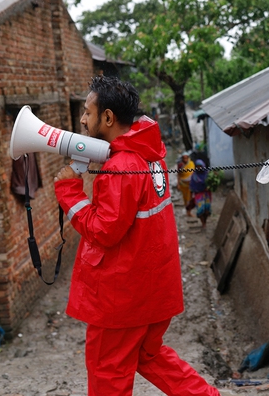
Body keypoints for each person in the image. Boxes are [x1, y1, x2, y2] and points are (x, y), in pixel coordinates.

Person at [54, 75, 220, 396]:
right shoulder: (150, 152)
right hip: (151, 292)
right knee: (150, 356)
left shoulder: (120, 167)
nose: (82, 119)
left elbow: (104, 231)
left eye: (88, 112)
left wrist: (68, 190)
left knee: (107, 374)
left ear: (108, 117)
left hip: (120, 299)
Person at [186, 159, 212, 228]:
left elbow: (211, 184)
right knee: (200, 210)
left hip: (207, 194)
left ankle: (205, 222)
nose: (198, 168)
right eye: (197, 166)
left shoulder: (207, 174)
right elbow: (191, 187)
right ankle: (203, 223)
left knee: (207, 210)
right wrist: (190, 197)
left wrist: (209, 187)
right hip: (198, 194)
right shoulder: (194, 176)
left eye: (200, 166)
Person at [177, 152, 195, 216]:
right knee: (185, 199)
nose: (185, 159)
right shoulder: (180, 165)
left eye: (186, 157)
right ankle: (188, 211)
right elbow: (179, 175)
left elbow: (193, 174)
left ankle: (189, 211)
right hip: (183, 184)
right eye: (184, 158)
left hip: (190, 184)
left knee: (190, 198)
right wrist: (178, 184)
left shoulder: (191, 164)